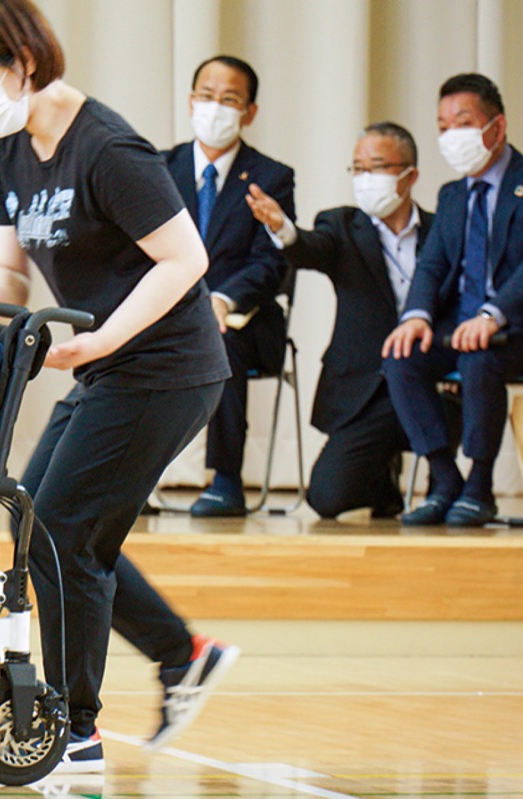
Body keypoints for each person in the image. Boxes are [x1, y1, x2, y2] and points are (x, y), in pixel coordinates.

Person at [0, 0, 240, 773]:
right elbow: (9, 272)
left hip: (165, 366)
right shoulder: (9, 154)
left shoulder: (105, 147)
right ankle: (182, 654)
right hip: (109, 364)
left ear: (23, 62)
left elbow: (186, 260)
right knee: (39, 523)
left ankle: (74, 727)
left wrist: (104, 337)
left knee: (64, 531)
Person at [246, 122, 436, 518]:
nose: (365, 178)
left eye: (377, 167)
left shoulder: (440, 229)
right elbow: (311, 249)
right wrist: (283, 228)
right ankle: (382, 479)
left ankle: (442, 488)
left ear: (410, 175)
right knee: (327, 497)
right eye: (358, 168)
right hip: (366, 389)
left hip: (429, 378)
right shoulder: (342, 226)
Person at [381, 74, 523, 527]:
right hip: (461, 325)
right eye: (443, 126)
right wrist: (415, 316)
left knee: (479, 359)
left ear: (498, 126)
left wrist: (493, 315)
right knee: (401, 357)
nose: (452, 136)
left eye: (464, 123)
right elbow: (432, 266)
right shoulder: (452, 195)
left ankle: (479, 485)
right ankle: (444, 478)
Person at [164, 55, 296, 518]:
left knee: (220, 341)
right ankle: (125, 476)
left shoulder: (272, 177)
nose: (214, 107)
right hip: (167, 312)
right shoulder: (160, 168)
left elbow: (271, 262)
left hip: (243, 321)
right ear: (190, 102)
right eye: (206, 96)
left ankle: (225, 480)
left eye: (229, 99)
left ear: (249, 112)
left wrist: (221, 300)